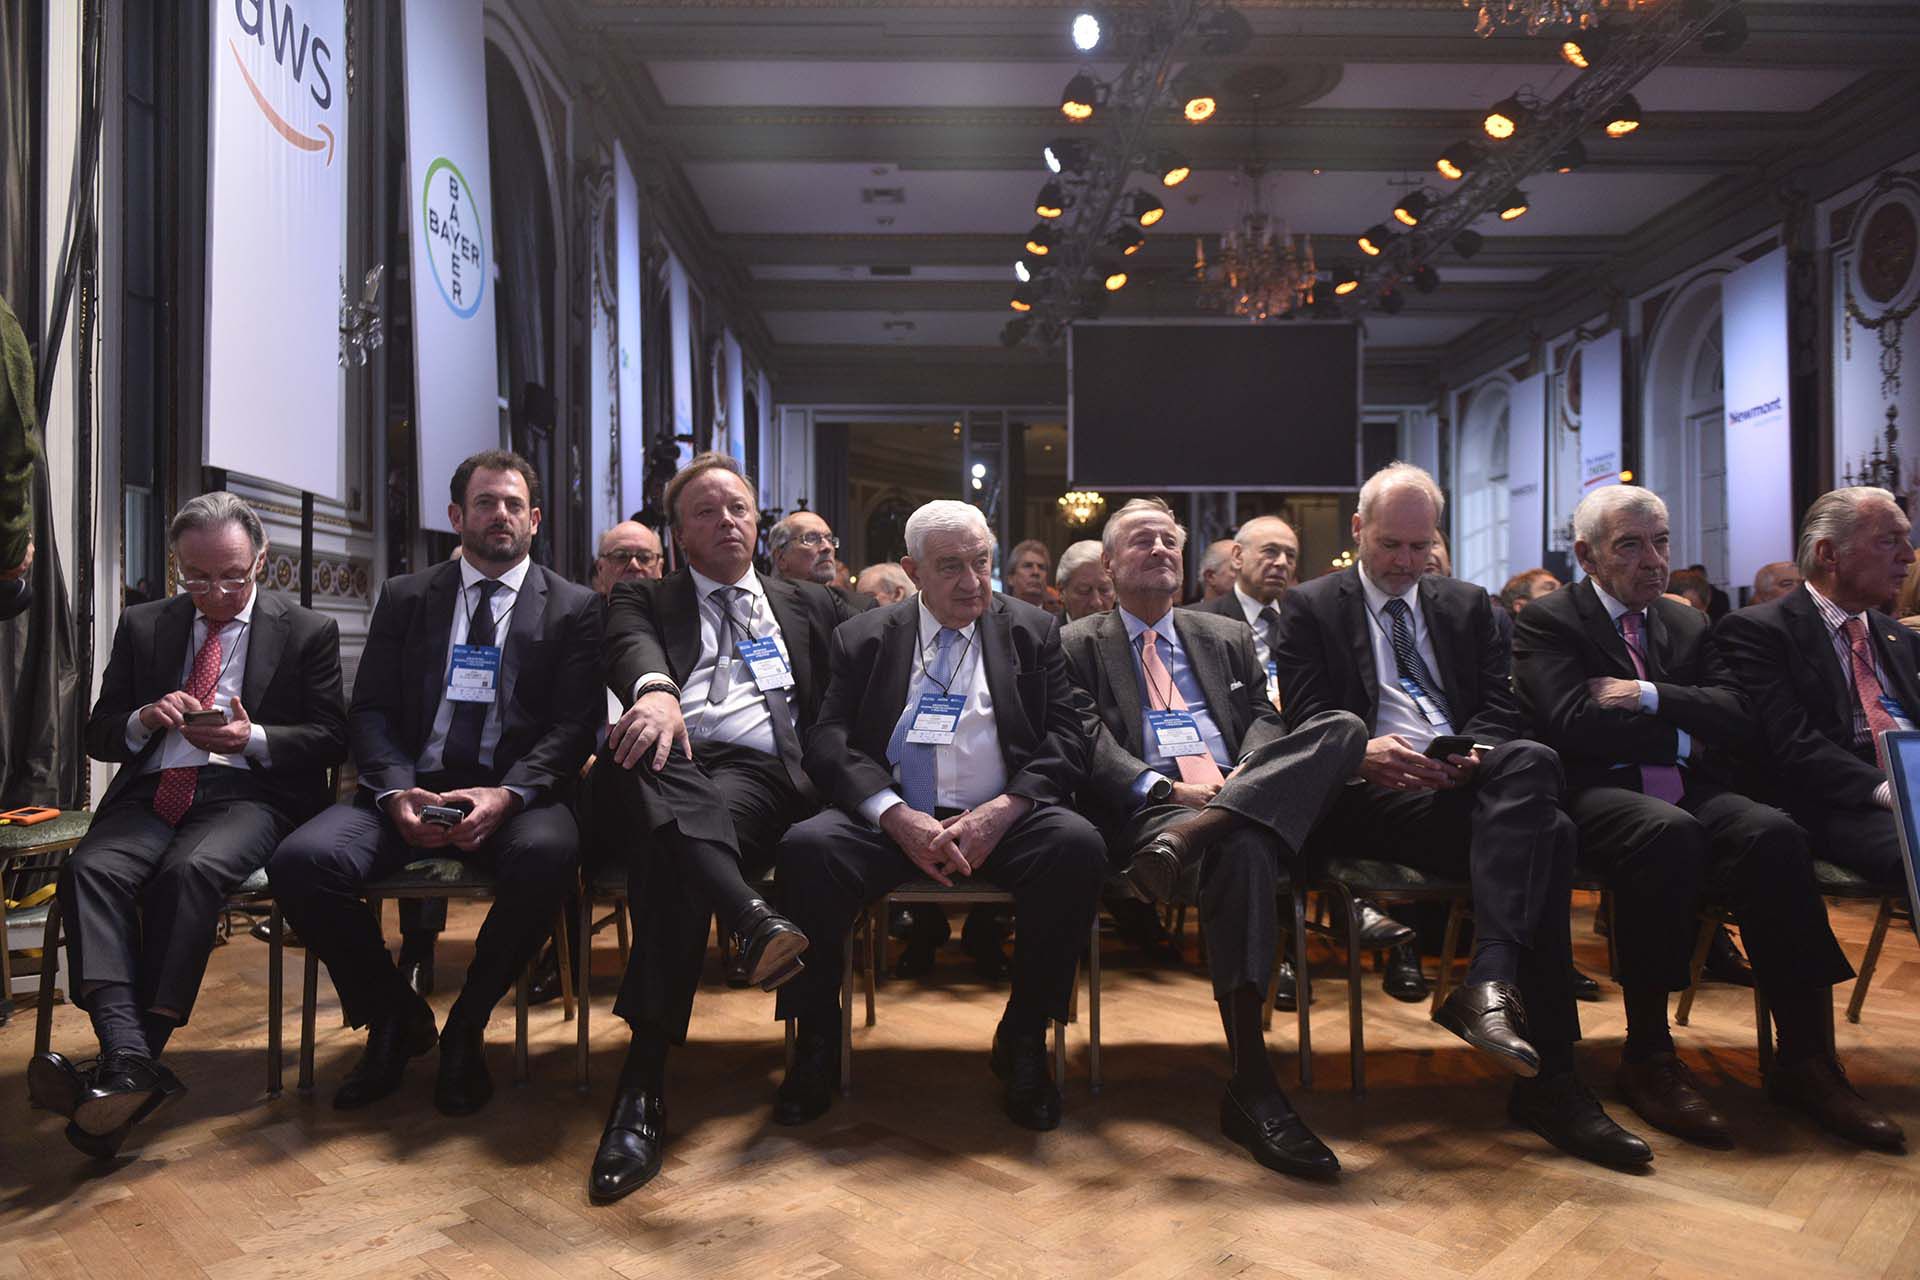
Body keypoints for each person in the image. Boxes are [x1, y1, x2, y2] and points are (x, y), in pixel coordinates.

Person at [1276, 462, 1648, 1168]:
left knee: (1529, 765)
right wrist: (1364, 749)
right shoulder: (1311, 607)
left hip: (1467, 783)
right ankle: (1550, 1077)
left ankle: (1498, 997)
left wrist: (1474, 754)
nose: (1406, 563)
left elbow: (1500, 709)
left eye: (1420, 548)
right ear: (1358, 531)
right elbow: (1306, 718)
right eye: (1390, 546)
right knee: (1553, 832)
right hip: (1372, 793)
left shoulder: (1468, 605)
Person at [1514, 486, 1894, 1150]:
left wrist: (1649, 699)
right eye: (1630, 545)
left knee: (1774, 832)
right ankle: (1650, 1055)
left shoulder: (1686, 622)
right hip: (1597, 791)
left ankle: (1806, 1059)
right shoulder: (1551, 620)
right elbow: (1571, 725)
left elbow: (1739, 718)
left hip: (1690, 784)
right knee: (1665, 835)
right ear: (1586, 554)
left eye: (1660, 542)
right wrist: (1687, 728)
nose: (1653, 560)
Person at [268, 451, 602, 1121]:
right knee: (301, 862)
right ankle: (396, 1017)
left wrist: (509, 794)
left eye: (513, 504)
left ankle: (467, 1027)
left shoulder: (574, 607)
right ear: (457, 516)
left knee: (549, 856)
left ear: (535, 520)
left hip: (514, 798)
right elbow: (371, 711)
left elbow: (574, 725)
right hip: (408, 787)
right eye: (485, 503)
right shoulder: (407, 596)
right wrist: (394, 793)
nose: (500, 515)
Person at [29, 493, 347, 1158]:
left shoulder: (305, 631)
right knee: (91, 870)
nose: (216, 593)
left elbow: (328, 739)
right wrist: (144, 718)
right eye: (196, 578)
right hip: (152, 791)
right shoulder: (146, 626)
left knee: (192, 870)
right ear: (177, 568)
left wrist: (251, 735)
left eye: (232, 576)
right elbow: (99, 732)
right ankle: (127, 1057)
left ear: (260, 559)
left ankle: (128, 1065)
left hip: (248, 792)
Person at [772, 500, 1106, 1132]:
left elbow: (1067, 736)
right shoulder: (866, 635)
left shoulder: (1032, 628)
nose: (972, 582)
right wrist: (893, 814)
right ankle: (814, 1043)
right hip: (893, 817)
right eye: (950, 567)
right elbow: (828, 740)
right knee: (806, 849)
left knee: (1077, 845)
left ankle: (1025, 1038)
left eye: (981, 562)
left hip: (1004, 816)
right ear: (912, 570)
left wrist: (1005, 810)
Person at [1063, 498, 1364, 1178]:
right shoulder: (1077, 643)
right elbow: (1083, 739)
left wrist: (1241, 779)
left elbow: (1263, 716)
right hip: (1152, 809)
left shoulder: (1221, 635)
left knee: (1342, 727)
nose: (1162, 550)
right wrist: (1165, 790)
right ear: (1109, 565)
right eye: (1142, 541)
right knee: (1250, 844)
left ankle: (1208, 830)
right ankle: (1253, 1084)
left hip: (1233, 793)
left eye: (1170, 540)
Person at [587, 452, 850, 1204]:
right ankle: (748, 917)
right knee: (644, 751)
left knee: (672, 840)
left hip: (766, 779)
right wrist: (658, 692)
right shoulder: (643, 598)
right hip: (670, 756)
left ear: (757, 522)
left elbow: (882, 655)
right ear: (678, 535)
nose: (726, 521)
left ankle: (641, 1089)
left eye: (737, 508)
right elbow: (631, 653)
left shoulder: (808, 603)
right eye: (705, 511)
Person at [1718, 486, 1920, 892]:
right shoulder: (1757, 631)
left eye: (1907, 539)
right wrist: (1890, 789)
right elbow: (1792, 744)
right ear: (1830, 554)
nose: (1909, 556)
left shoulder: (1899, 636)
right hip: (1835, 800)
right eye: (1888, 541)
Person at [771, 510, 874, 611]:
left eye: (829, 539)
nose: (827, 547)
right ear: (781, 558)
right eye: (811, 538)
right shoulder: (765, 608)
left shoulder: (860, 608)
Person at [1056, 539, 1117, 621]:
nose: (1096, 602)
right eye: (1084, 591)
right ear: (1061, 591)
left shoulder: (1130, 631)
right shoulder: (1045, 632)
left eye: (1104, 590)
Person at [1005, 538, 1053, 610]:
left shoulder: (1056, 620)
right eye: (1028, 566)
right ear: (1011, 578)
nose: (1036, 572)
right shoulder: (996, 618)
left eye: (1041, 567)